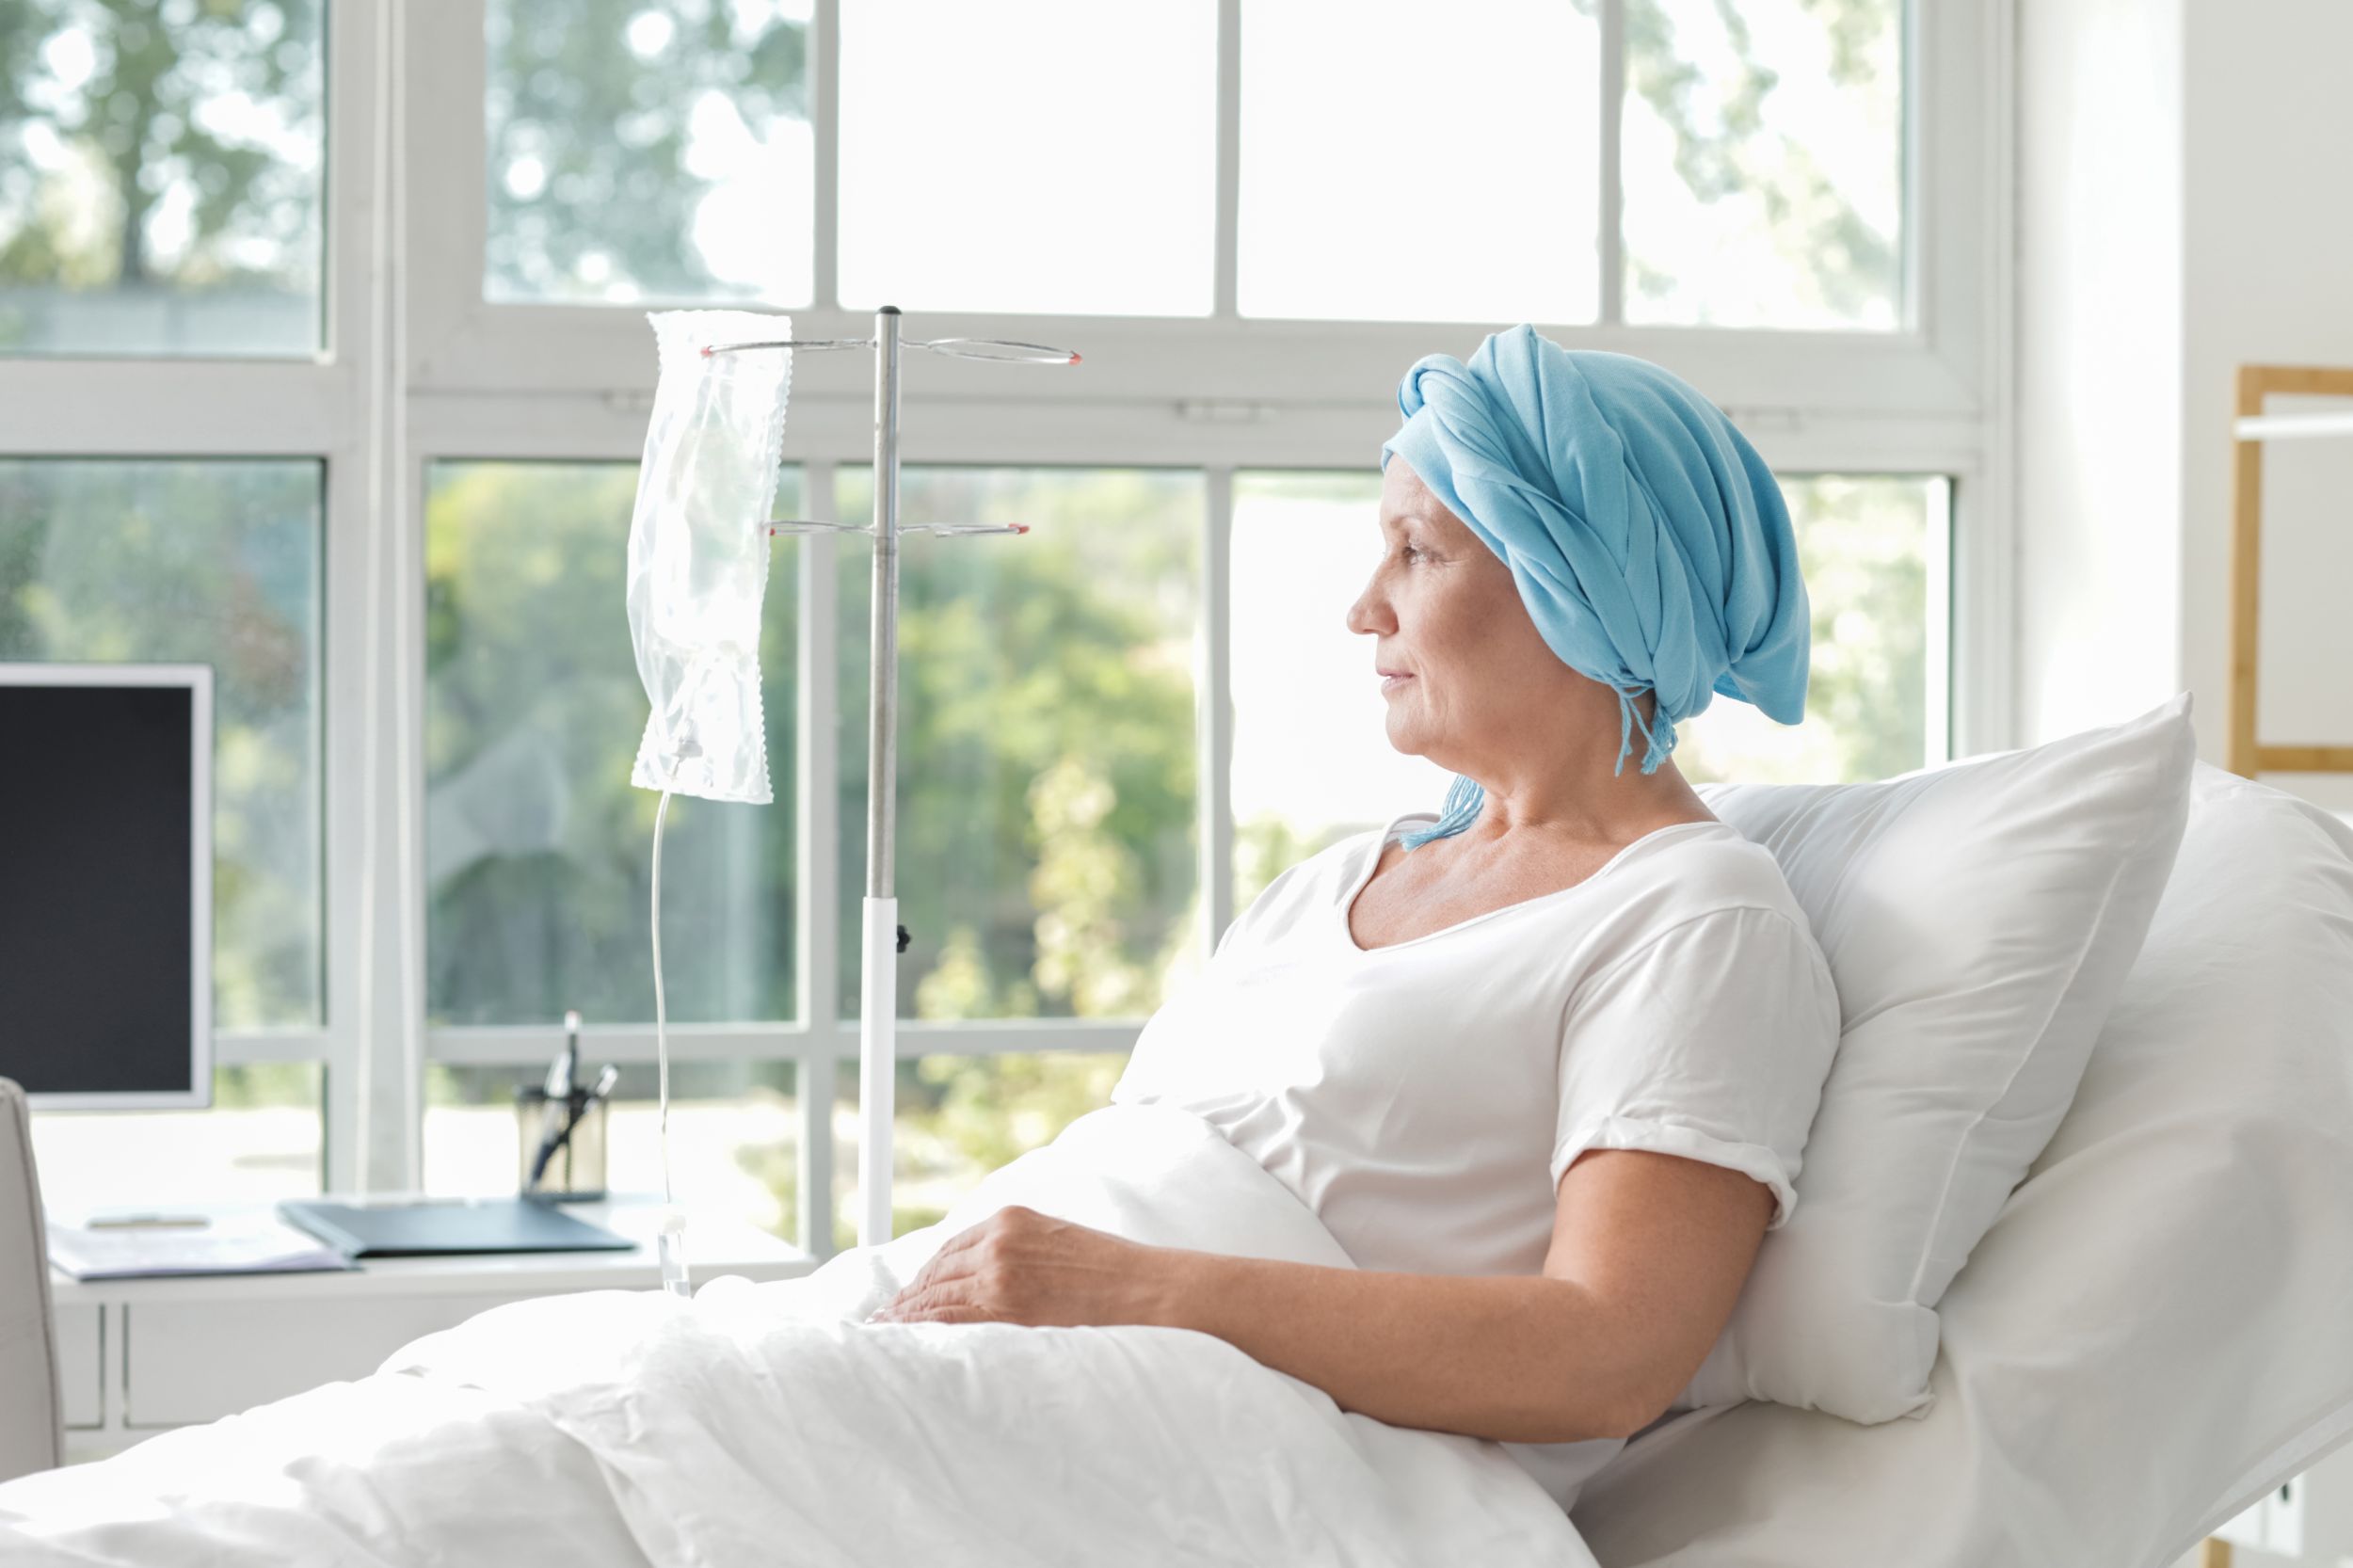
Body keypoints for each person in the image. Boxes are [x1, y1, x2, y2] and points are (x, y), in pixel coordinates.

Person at [872, 324, 1843, 1514]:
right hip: (999, 1354)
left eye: (1415, 551)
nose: (1361, 609)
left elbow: (1605, 1354)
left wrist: (1130, 1288)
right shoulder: (1339, 876)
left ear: (1581, 590)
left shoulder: (1695, 916)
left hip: (1208, 1448)